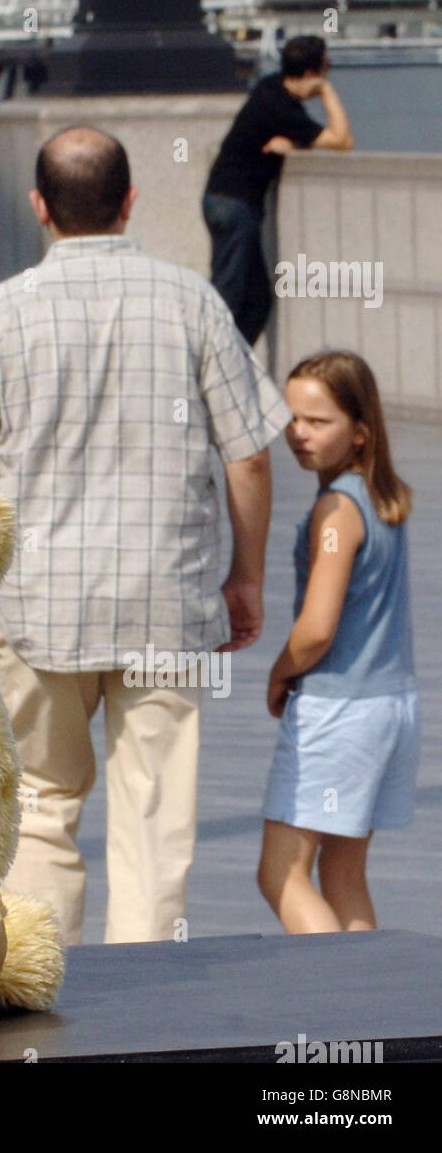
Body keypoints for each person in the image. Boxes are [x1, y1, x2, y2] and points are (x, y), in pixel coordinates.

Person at [0, 125, 292, 946]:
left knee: (43, 804)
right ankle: (149, 1000)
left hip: (41, 606)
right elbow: (249, 456)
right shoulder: (192, 303)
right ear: (130, 202)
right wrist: (247, 577)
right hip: (167, 600)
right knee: (155, 814)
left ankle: (43, 983)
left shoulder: (0, 315)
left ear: (38, 209)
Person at [258, 351, 417, 935]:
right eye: (293, 417)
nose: (298, 433)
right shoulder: (383, 501)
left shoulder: (337, 509)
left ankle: (332, 1006)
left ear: (360, 432)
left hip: (337, 708)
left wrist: (280, 672)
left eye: (318, 421)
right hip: (391, 705)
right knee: (344, 875)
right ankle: (372, 1009)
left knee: (281, 872)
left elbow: (318, 626)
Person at [203, 35, 354, 346]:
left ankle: (233, 363)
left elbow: (281, 131)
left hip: (220, 200)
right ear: (313, 72)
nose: (330, 70)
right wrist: (326, 90)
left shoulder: (268, 88)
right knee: (227, 297)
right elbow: (343, 141)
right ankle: (202, 370)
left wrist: (295, 143)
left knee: (257, 300)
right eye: (326, 66)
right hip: (237, 207)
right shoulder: (284, 111)